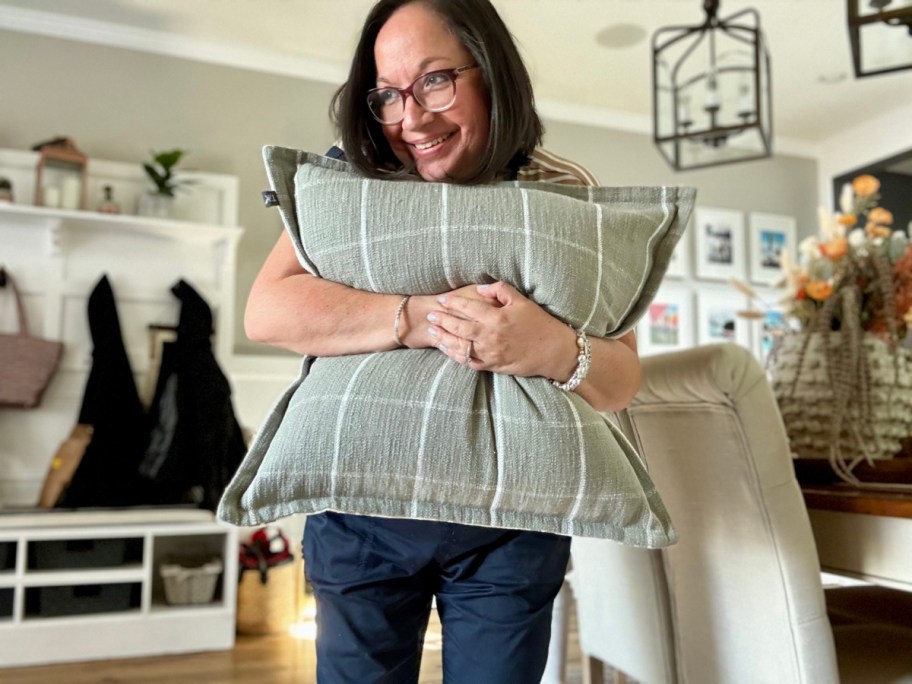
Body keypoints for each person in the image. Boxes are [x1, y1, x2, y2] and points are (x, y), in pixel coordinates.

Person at [245, 0, 641, 680]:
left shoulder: (564, 192)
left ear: (491, 71)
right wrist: (425, 317)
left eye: (435, 80)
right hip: (360, 516)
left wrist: (547, 346)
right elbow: (268, 311)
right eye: (389, 94)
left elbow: (623, 382)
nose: (412, 118)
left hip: (513, 527)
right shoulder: (352, 182)